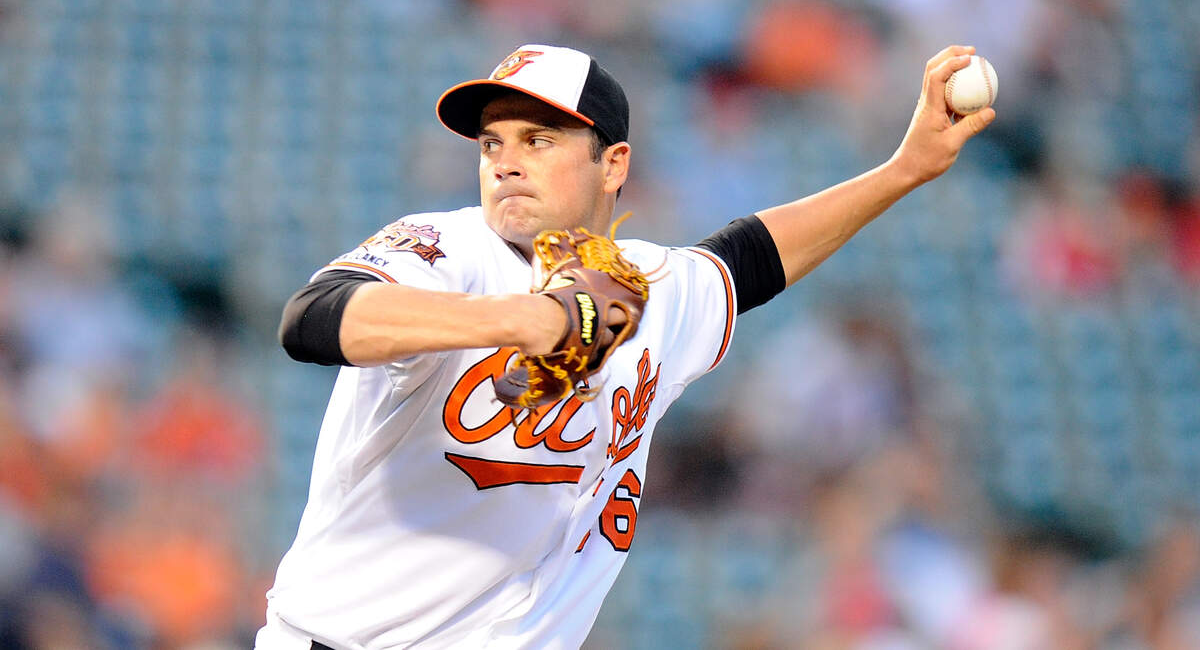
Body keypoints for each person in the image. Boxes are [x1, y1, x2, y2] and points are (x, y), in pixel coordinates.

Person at [257, 43, 994, 649]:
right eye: (492, 143)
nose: (505, 162)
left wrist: (905, 169)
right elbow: (315, 317)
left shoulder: (647, 286)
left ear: (612, 164)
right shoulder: (448, 249)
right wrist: (518, 320)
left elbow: (751, 258)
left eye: (538, 140)